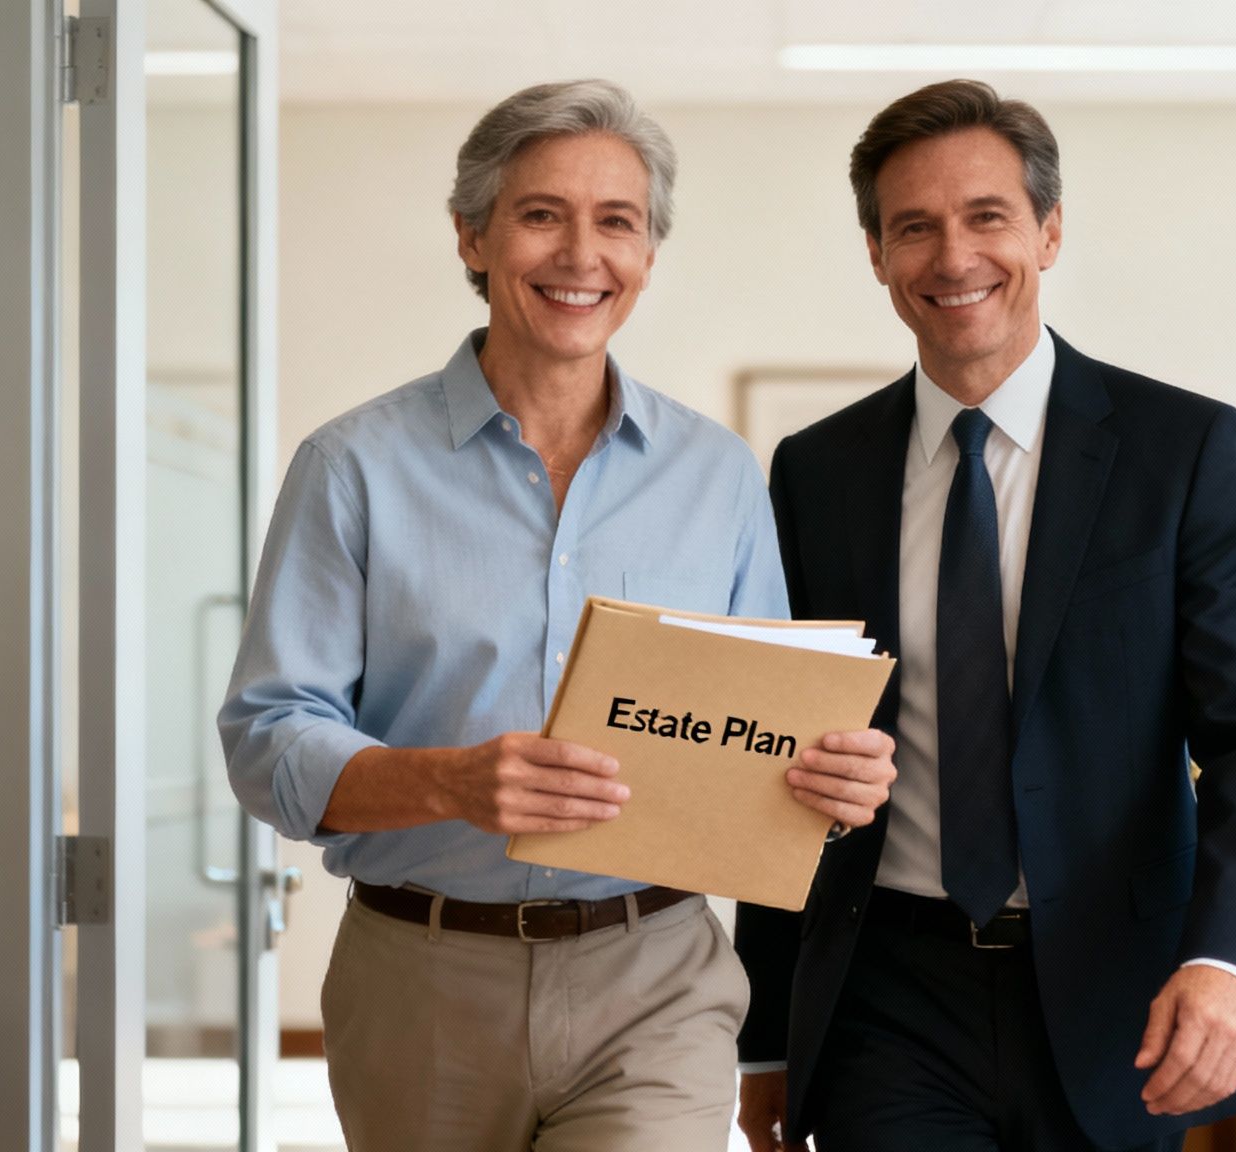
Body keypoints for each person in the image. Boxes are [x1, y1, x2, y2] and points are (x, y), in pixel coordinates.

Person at [219, 79, 897, 1151]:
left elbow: (768, 740)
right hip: (421, 980)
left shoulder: (714, 478)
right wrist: (449, 778)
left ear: (647, 255)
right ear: (472, 237)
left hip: (655, 979)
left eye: (616, 221)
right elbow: (267, 740)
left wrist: (832, 782)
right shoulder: (350, 467)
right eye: (541, 215)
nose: (581, 254)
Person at [734, 80, 1236, 1152]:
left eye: (985, 217)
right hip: (885, 995)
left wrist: (1229, 962)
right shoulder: (814, 473)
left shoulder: (1178, 452)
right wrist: (766, 1038)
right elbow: (789, 756)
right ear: (875, 255)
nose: (951, 256)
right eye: (912, 227)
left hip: (1114, 997)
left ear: (1047, 232)